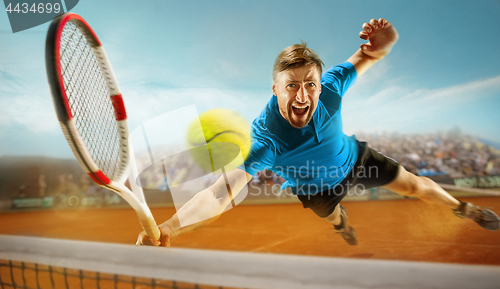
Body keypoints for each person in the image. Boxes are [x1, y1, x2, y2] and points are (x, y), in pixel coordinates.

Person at [137, 18, 499, 247]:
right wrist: (171, 227)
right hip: (317, 190)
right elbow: (220, 195)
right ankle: (342, 226)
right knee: (335, 216)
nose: (303, 94)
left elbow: (370, 55)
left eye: (309, 84)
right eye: (291, 86)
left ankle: (464, 208)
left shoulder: (331, 86)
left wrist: (385, 41)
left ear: (319, 83)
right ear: (275, 89)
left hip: (355, 159)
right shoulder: (265, 139)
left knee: (415, 184)